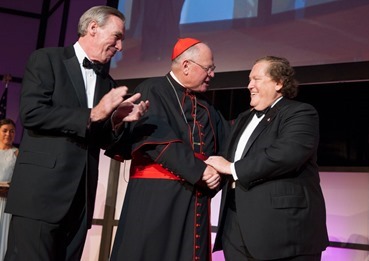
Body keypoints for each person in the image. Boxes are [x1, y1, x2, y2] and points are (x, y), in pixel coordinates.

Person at [5, 6, 149, 261]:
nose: (120, 47)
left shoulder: (109, 83)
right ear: (93, 28)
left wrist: (116, 121)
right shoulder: (47, 59)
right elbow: (32, 114)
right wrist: (93, 114)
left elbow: (104, 141)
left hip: (80, 200)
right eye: (116, 37)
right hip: (41, 195)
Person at [106, 38, 229, 261]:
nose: (212, 74)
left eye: (213, 69)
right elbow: (155, 138)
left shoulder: (207, 106)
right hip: (156, 197)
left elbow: (227, 144)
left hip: (194, 195)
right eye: (208, 68)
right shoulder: (152, 89)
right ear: (186, 66)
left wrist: (219, 173)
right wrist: (199, 171)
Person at [205, 56, 329, 260]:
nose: (249, 86)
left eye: (256, 79)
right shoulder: (244, 118)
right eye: (249, 79)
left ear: (279, 83)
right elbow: (225, 158)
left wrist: (232, 168)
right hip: (235, 229)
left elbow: (286, 155)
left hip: (282, 231)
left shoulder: (300, 113)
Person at [0, 118, 18, 260]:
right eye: (4, 131)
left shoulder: (18, 154)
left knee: (4, 237)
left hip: (7, 203)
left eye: (12, 131)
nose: (8, 134)